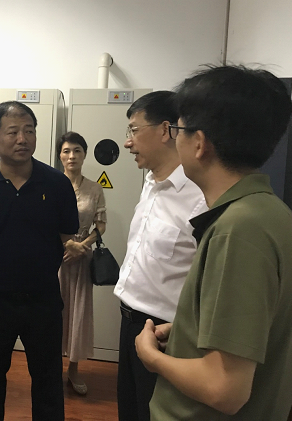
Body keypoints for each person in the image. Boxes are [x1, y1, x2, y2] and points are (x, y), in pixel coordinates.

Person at [135, 65, 292, 420]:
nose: (176, 140)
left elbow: (224, 389)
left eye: (178, 130)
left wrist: (152, 357)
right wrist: (187, 331)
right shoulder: (271, 213)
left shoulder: (239, 229)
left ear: (199, 143)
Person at [0, 101, 79, 420]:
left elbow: (66, 233)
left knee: (48, 378)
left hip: (44, 299)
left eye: (29, 130)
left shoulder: (57, 184)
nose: (22, 139)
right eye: (13, 132)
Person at [114, 90, 207, 421]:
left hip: (165, 335)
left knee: (154, 413)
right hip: (129, 323)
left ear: (166, 130)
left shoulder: (200, 199)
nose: (128, 142)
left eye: (134, 130)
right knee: (129, 409)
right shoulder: (151, 183)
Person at [56, 131, 106, 396]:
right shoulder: (51, 184)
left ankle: (73, 370)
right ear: (60, 155)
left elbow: (101, 226)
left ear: (84, 154)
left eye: (77, 150)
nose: (71, 156)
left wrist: (81, 246)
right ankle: (52, 367)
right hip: (55, 258)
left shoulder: (95, 189)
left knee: (78, 313)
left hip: (82, 259)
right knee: (53, 313)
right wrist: (67, 245)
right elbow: (43, 222)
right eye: (66, 151)